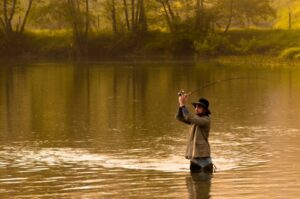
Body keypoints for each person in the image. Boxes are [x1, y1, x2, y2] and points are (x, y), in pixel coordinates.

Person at [176, 93, 213, 173]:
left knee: (203, 183)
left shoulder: (206, 120)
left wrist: (183, 104)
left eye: (199, 107)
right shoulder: (194, 119)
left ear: (205, 110)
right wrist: (180, 104)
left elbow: (191, 118)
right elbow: (180, 117)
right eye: (196, 107)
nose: (196, 109)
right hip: (194, 157)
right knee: (192, 184)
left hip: (204, 159)